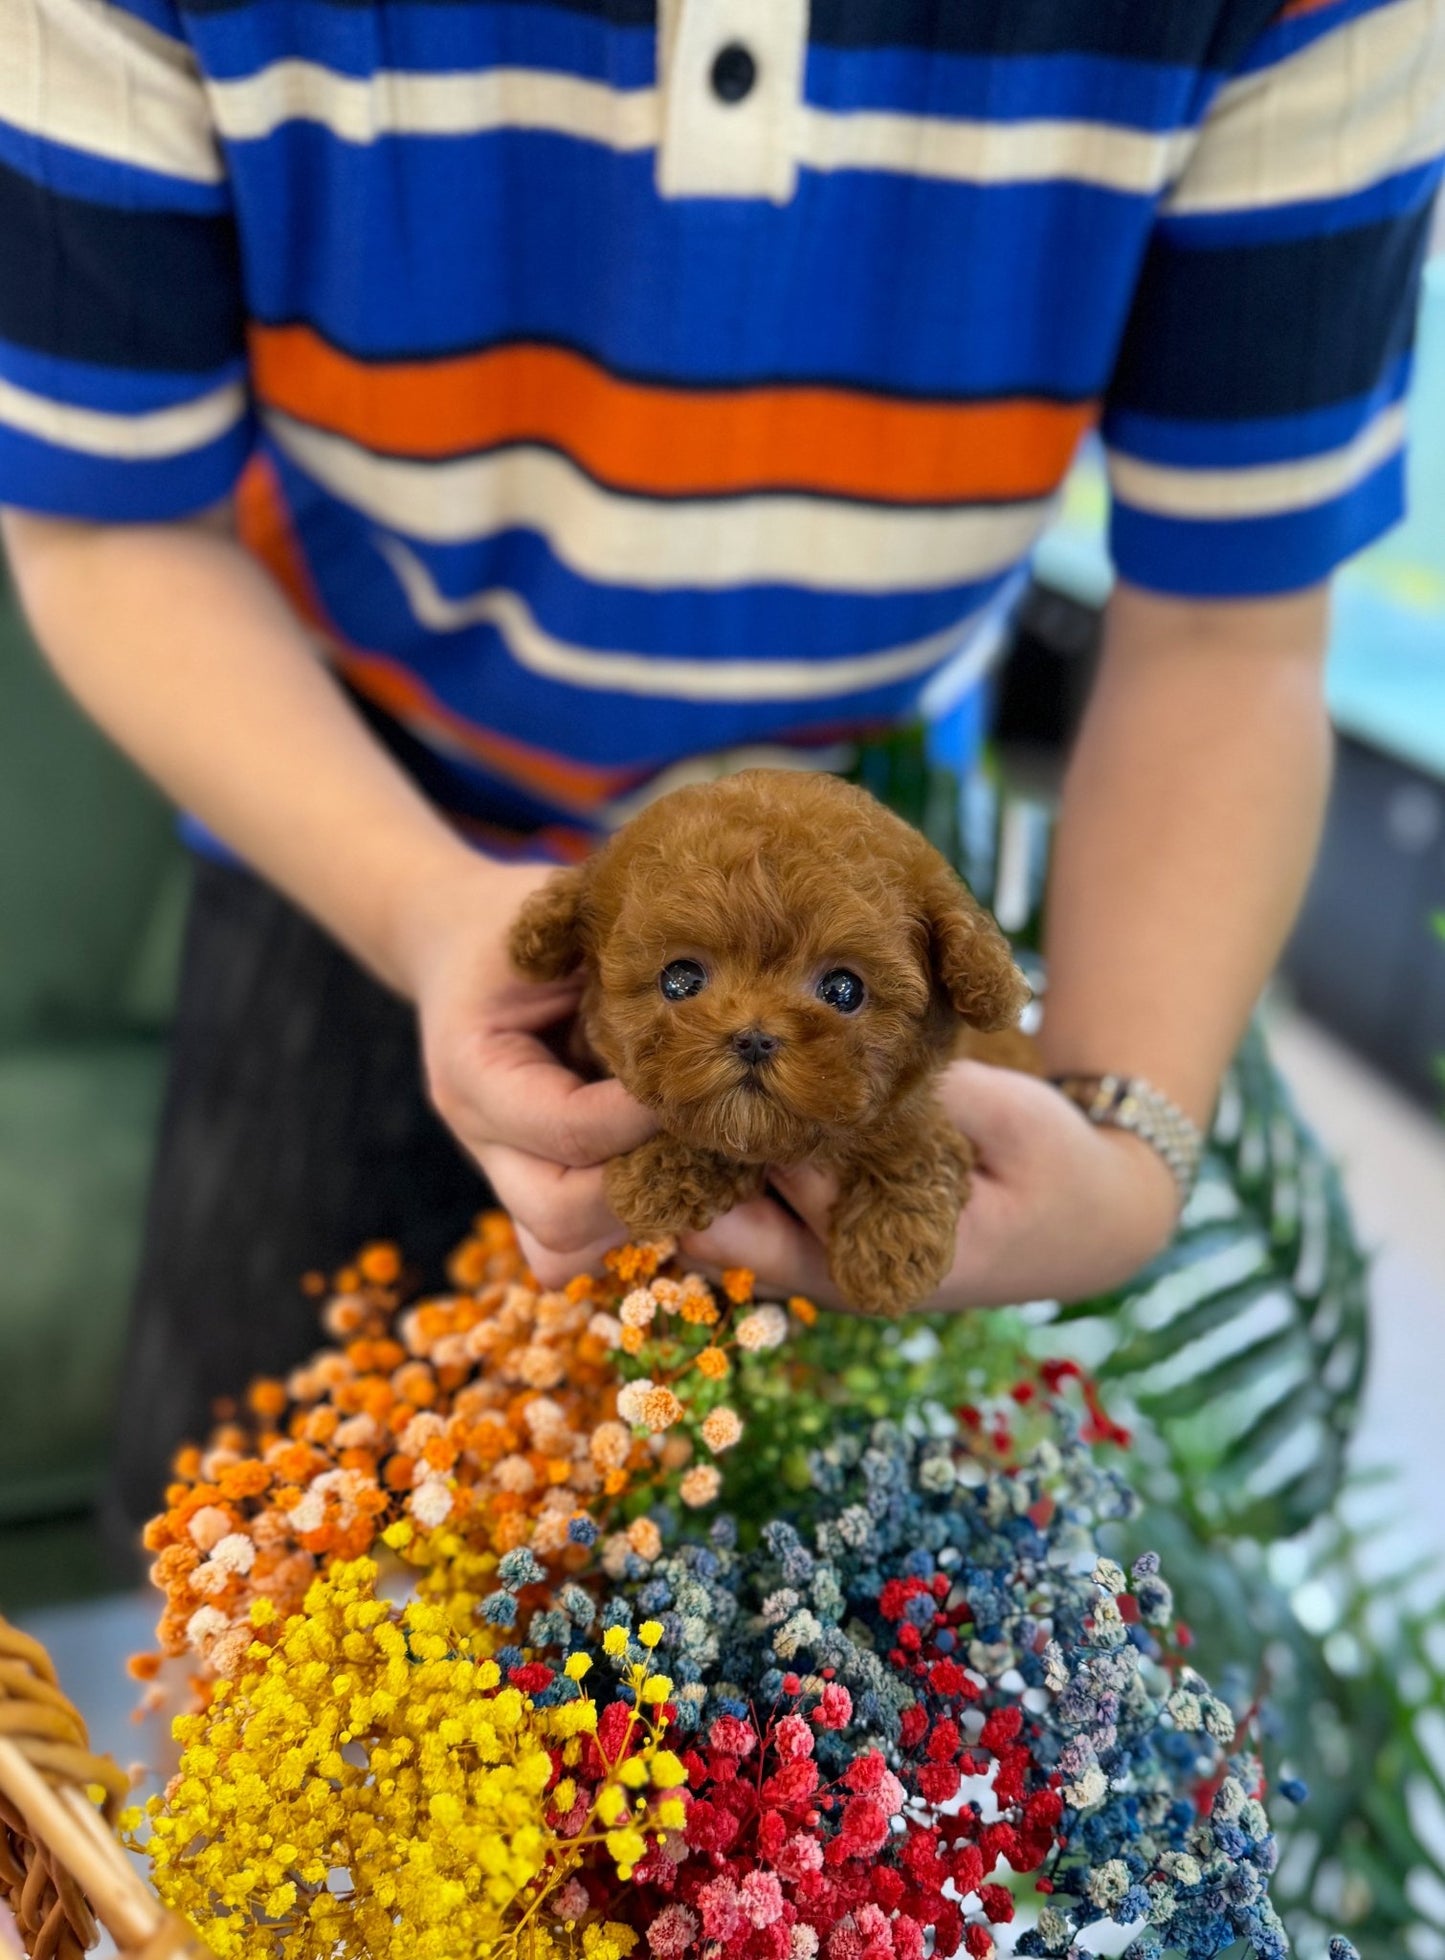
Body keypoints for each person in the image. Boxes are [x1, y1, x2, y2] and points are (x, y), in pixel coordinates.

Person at [1, 0, 1441, 1541]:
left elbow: (1230, 632)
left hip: (874, 824)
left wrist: (1126, 1138)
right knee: (234, 1546)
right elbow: (108, 514)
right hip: (337, 814)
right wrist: (417, 904)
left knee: (789, 1623)